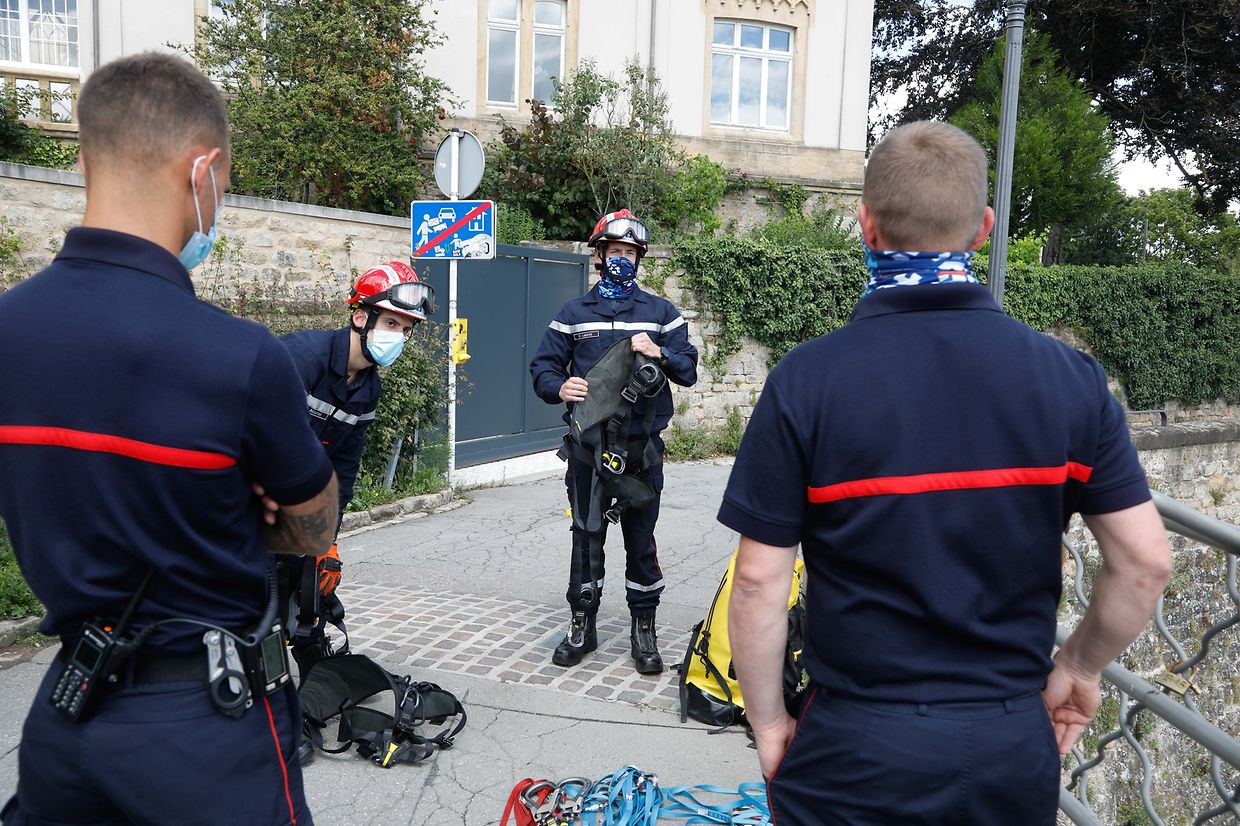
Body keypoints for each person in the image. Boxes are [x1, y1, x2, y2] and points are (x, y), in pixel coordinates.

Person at [721, 121, 1172, 825]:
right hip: (1007, 743)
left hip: (853, 744)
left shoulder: (806, 383)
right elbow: (1144, 562)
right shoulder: (1070, 381)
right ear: (984, 229)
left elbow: (756, 583)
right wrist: (1079, 669)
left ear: (865, 226)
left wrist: (770, 721)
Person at [0, 53, 339, 825]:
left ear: (85, 159)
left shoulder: (5, 332)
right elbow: (314, 525)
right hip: (207, 732)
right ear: (205, 172)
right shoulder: (241, 358)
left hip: (65, 722)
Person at [530, 209, 698, 673]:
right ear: (600, 256)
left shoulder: (662, 313)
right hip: (588, 451)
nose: (622, 259)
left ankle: (643, 630)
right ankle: (582, 624)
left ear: (639, 258)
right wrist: (559, 387)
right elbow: (543, 367)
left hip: (642, 452)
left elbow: (688, 370)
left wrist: (659, 352)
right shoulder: (573, 314)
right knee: (586, 538)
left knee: (641, 542)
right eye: (615, 251)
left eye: (630, 252)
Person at [278, 262, 432, 678]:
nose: (397, 336)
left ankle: (314, 689)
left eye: (405, 329)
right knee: (257, 609)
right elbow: (261, 443)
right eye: (390, 323)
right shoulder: (300, 359)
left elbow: (341, 470)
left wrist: (327, 539)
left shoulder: (367, 388)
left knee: (307, 600)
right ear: (360, 316)